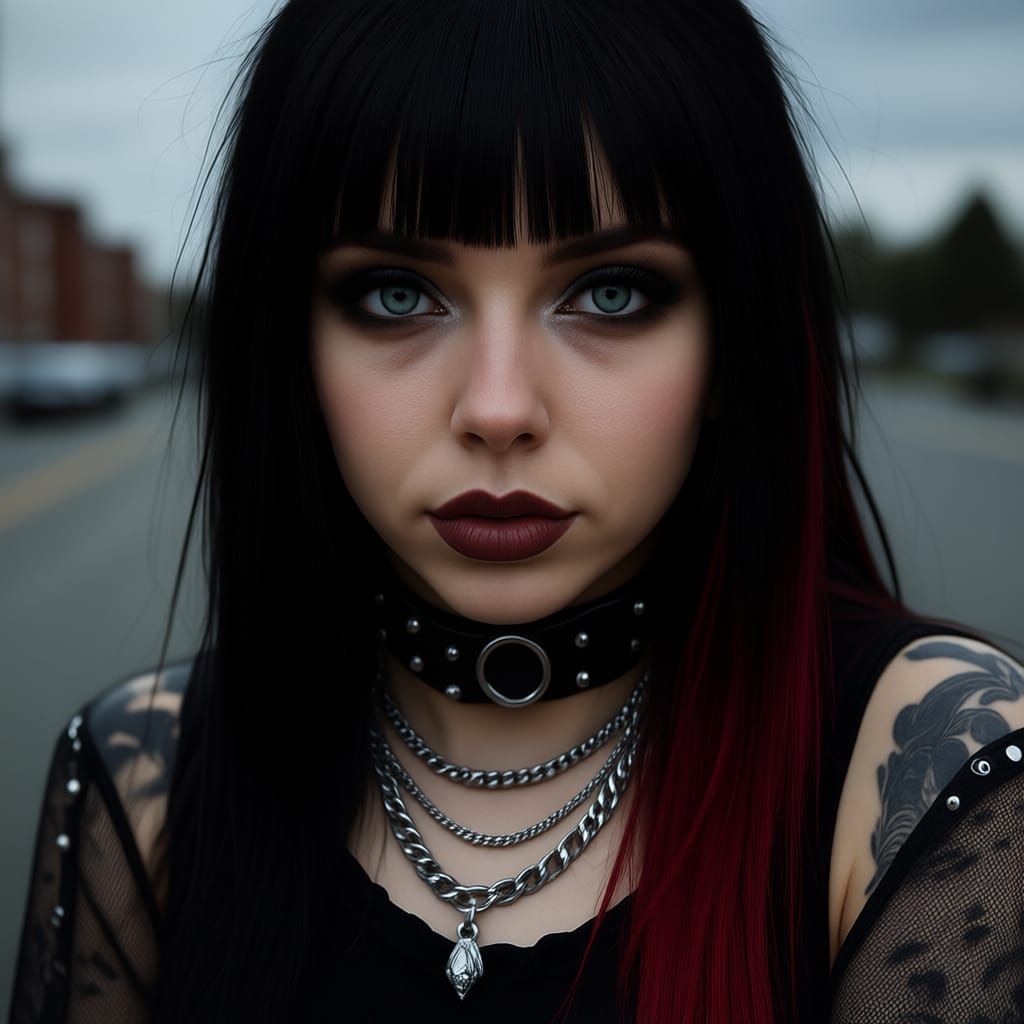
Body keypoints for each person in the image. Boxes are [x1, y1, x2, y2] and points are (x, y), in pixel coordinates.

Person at [9, 0, 1024, 1021]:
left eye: (614, 293)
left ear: (733, 337)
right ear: (293, 342)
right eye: (397, 294)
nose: (497, 409)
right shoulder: (144, 777)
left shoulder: (932, 767)